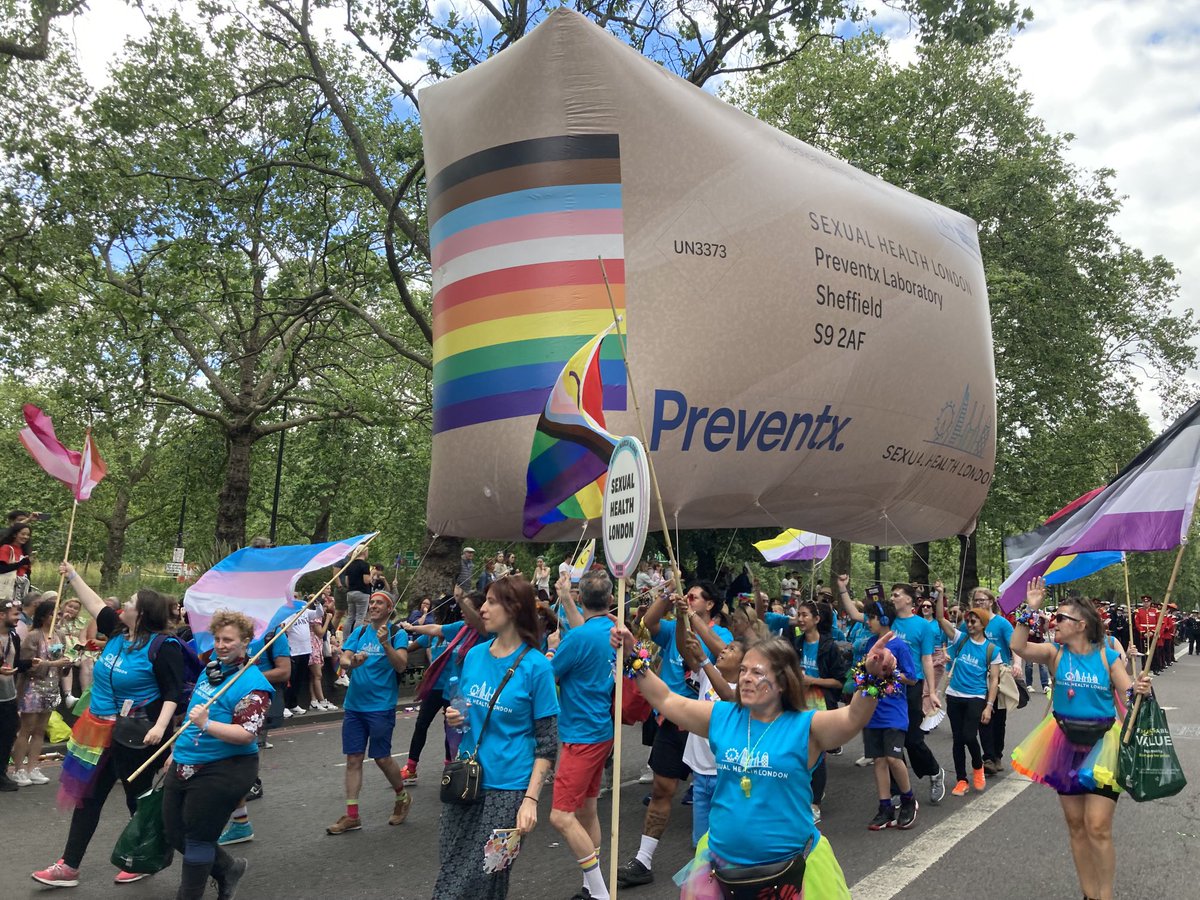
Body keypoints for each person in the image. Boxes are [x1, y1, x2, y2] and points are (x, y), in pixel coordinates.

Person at [615, 628, 899, 898]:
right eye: (743, 670)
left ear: (783, 682)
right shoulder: (722, 716)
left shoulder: (805, 727)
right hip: (722, 869)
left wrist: (872, 675)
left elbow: (853, 718)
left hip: (789, 873)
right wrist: (632, 655)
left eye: (757, 672)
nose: (747, 678)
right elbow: (665, 699)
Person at [33, 564, 183, 888]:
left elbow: (173, 692)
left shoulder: (162, 646)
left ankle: (149, 856)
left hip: (137, 735)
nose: (122, 607)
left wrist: (159, 727)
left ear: (141, 614)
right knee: (88, 797)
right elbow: (95, 603)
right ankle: (68, 866)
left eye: (129, 603)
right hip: (98, 730)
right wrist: (71, 575)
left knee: (138, 800)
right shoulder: (117, 632)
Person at [1011, 577, 1152, 900]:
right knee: (1076, 824)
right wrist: (1029, 609)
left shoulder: (1107, 657)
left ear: (1082, 624)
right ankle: (1089, 894)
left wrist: (1140, 690)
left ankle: (1105, 896)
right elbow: (1018, 646)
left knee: (1097, 825)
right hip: (1063, 744)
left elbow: (1128, 692)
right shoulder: (1053, 653)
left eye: (1060, 618)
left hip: (1103, 745)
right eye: (1053, 616)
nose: (1054, 622)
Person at [434, 577, 558, 900]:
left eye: (490, 602)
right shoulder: (474, 656)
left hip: (509, 790)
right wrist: (455, 717)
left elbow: (547, 743)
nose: (483, 609)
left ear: (514, 609)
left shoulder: (536, 668)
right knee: (452, 864)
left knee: (486, 873)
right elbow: (462, 707)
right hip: (466, 781)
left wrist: (530, 799)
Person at [616, 582, 733, 888]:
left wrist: (690, 617)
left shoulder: (723, 637)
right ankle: (643, 859)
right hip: (674, 720)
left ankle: (721, 868)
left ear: (709, 606)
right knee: (661, 789)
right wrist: (669, 596)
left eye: (694, 597)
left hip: (708, 725)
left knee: (719, 797)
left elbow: (718, 655)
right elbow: (650, 624)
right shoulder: (671, 629)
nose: (688, 599)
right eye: (687, 594)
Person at [162, 610, 272, 899]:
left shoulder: (254, 684)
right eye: (218, 639)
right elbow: (192, 715)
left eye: (228, 640)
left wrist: (207, 724)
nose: (221, 645)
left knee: (199, 838)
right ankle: (227, 868)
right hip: (185, 761)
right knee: (174, 832)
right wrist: (176, 750)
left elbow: (247, 733)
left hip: (226, 768)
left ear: (246, 642)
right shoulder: (210, 668)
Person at [547, 569, 618, 900]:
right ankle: (592, 886)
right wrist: (564, 597)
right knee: (587, 810)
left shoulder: (577, 639)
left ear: (581, 597)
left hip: (581, 737)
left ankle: (601, 893)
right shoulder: (614, 629)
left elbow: (548, 676)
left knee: (561, 815)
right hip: (601, 731)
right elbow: (584, 630)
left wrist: (550, 650)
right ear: (610, 599)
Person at [326, 591, 412, 835]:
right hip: (354, 706)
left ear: (389, 609)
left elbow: (401, 665)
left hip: (380, 706)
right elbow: (343, 659)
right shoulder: (360, 632)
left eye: (379, 603)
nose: (373, 606)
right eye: (372, 602)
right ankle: (352, 816)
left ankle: (402, 797)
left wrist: (385, 644)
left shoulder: (398, 633)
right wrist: (352, 662)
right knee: (353, 759)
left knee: (382, 757)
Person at [218, 603, 293, 846]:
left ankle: (248, 790)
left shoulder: (273, 634)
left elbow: (284, 672)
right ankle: (241, 820)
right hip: (226, 704)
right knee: (230, 760)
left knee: (238, 755)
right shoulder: (228, 637)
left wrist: (247, 675)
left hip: (254, 704)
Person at [399, 587, 488, 786]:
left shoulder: (485, 633)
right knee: (422, 724)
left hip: (462, 692)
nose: (461, 610)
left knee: (456, 731)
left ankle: (453, 768)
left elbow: (479, 624)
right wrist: (411, 628)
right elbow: (435, 629)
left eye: (467, 607)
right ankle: (411, 767)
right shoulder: (460, 628)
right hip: (439, 687)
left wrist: (461, 599)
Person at [858, 598, 919, 830]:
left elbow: (912, 678)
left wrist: (892, 672)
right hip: (872, 711)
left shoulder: (900, 646)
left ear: (883, 619)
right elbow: (862, 675)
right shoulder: (869, 645)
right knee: (879, 760)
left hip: (894, 712)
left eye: (871, 617)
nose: (867, 621)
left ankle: (908, 799)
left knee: (894, 758)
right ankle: (884, 806)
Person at [679, 633, 743, 845]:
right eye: (725, 647)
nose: (724, 650)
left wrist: (705, 661)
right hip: (700, 773)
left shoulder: (744, 691)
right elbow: (684, 650)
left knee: (724, 840)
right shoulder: (708, 673)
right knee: (700, 842)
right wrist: (682, 617)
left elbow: (728, 696)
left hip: (726, 774)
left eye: (732, 649)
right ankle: (704, 877)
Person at [934, 595, 1001, 796]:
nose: (969, 624)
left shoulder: (991, 649)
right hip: (954, 695)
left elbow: (994, 680)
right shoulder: (960, 639)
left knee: (969, 736)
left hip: (976, 698)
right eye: (968, 621)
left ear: (983, 624)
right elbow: (940, 619)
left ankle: (978, 766)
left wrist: (989, 706)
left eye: (973, 621)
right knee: (957, 740)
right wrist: (940, 595)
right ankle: (961, 780)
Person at [888, 583, 947, 803]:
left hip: (913, 684)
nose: (893, 598)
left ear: (909, 600)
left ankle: (934, 772)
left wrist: (931, 692)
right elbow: (858, 614)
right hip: (889, 684)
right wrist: (843, 589)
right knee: (891, 738)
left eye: (897, 595)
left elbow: (926, 660)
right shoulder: (889, 621)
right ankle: (897, 790)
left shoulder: (923, 626)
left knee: (912, 739)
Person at [793, 599, 849, 823]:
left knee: (817, 754)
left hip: (821, 707)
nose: (800, 619)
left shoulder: (829, 647)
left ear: (817, 619)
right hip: (796, 704)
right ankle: (799, 797)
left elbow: (839, 682)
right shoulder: (794, 643)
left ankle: (815, 801)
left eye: (805, 615)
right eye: (799, 614)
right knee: (797, 752)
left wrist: (813, 680)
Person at [11, 598, 71, 786]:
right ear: (44, 616)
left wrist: (66, 663)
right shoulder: (33, 636)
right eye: (55, 614)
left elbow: (61, 663)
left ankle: (33, 766)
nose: (58, 617)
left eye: (59, 614)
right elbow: (29, 665)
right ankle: (19, 768)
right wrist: (54, 663)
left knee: (40, 729)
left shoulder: (60, 635)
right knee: (26, 728)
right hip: (32, 687)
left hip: (51, 687)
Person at [964, 586, 1016, 773]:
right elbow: (960, 641)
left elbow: (1015, 646)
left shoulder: (1002, 624)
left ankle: (997, 756)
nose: (979, 603)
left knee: (998, 718)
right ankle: (988, 758)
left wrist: (1016, 664)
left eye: (982, 600)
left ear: (991, 602)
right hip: (976, 674)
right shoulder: (969, 622)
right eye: (976, 600)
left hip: (999, 674)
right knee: (982, 716)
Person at [0, 597, 36, 791]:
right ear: (1, 615)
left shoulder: (13, 636)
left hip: (8, 696)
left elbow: (15, 665)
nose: (19, 617)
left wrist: (30, 663)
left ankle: (1, 774)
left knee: (7, 736)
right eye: (15, 614)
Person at [342, 547, 372, 638]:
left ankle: (345, 638)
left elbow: (346, 582)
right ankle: (356, 637)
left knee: (350, 617)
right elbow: (366, 581)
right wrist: (372, 576)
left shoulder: (349, 564)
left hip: (350, 592)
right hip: (362, 593)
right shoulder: (365, 565)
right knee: (360, 617)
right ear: (364, 552)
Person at [0, 522, 33, 604]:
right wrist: (21, 563)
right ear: (15, 534)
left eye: (28, 535)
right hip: (8, 590)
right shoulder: (6, 548)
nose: (25, 537)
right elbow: (2, 569)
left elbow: (27, 574)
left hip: (21, 591)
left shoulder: (24, 552)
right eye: (23, 534)